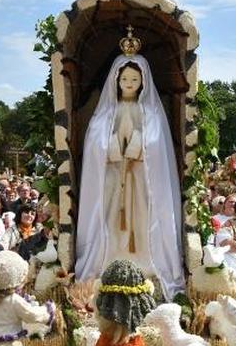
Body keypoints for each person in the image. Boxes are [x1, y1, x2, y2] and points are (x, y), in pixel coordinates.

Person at [75, 50, 184, 300]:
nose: (129, 85)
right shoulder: (106, 112)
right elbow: (94, 140)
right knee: (111, 218)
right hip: (113, 177)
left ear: (143, 82)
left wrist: (139, 144)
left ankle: (143, 262)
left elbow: (158, 145)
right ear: (116, 81)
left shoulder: (151, 112)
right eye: (125, 80)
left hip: (141, 177)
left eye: (134, 80)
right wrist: (110, 145)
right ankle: (110, 260)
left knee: (141, 218)